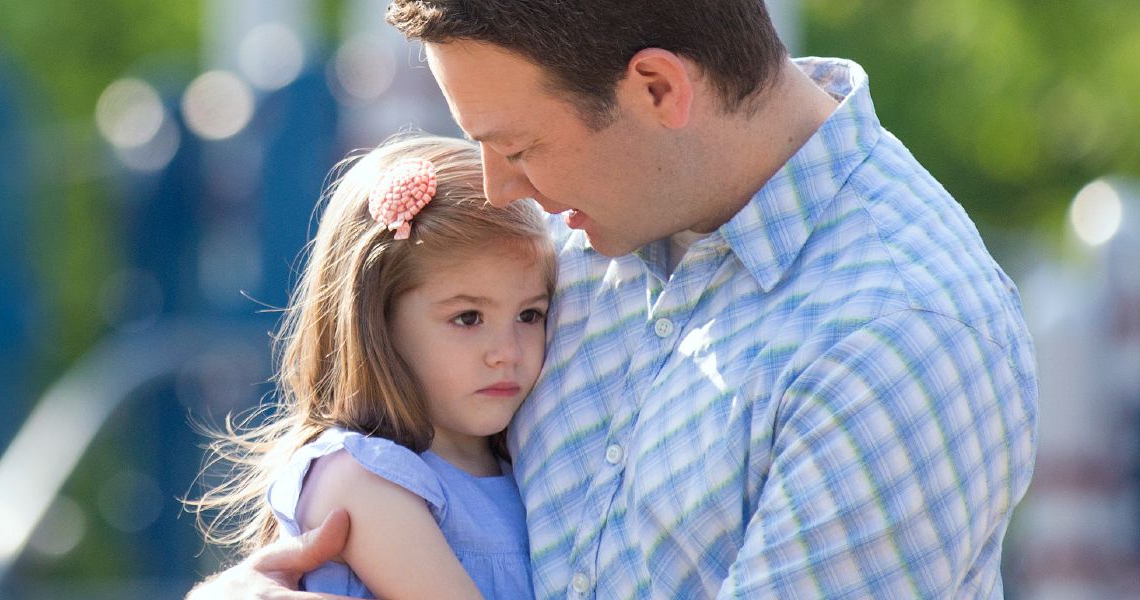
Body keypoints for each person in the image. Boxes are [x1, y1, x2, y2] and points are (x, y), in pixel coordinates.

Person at [189, 0, 1039, 597]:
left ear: (659, 89)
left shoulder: (898, 337)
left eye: (518, 144)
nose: (497, 184)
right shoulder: (562, 246)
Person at [187, 134, 556, 598]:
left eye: (530, 315)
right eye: (468, 318)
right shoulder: (360, 477)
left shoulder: (523, 465)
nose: (508, 351)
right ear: (377, 321)